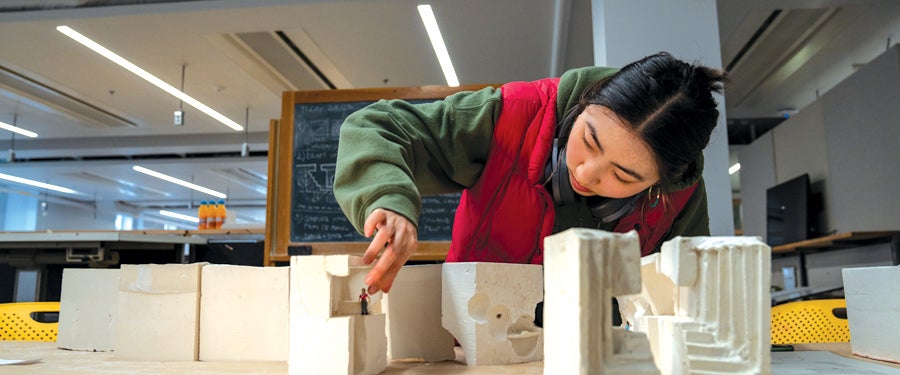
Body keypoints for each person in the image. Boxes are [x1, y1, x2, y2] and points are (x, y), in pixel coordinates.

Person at [334, 52, 726, 296]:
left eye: (622, 176)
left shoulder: (681, 197)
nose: (586, 173)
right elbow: (378, 126)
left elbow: (691, 296)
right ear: (586, 102)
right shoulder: (515, 114)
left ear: (660, 182)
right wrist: (387, 198)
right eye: (587, 140)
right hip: (473, 350)